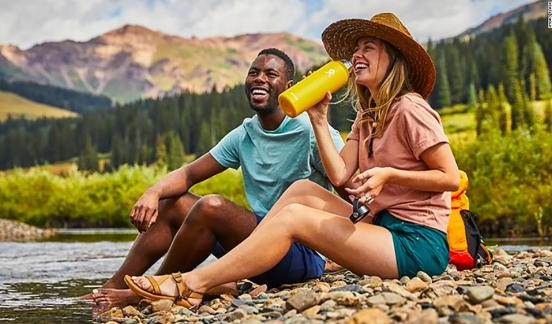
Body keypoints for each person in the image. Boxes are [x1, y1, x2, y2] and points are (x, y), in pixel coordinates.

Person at [123, 12, 460, 308]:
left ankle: (189, 284)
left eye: (368, 47)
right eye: (356, 48)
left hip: (415, 243)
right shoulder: (367, 117)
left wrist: (389, 174)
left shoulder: (411, 108)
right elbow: (341, 175)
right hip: (382, 226)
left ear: (394, 58)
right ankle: (239, 269)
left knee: (295, 217)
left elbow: (449, 177)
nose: (357, 55)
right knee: (302, 190)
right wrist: (318, 118)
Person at [87, 48, 345, 308]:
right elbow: (189, 174)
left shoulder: (312, 130)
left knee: (212, 207)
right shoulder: (244, 134)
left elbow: (347, 182)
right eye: (253, 72)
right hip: (253, 248)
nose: (259, 79)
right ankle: (111, 287)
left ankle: (152, 291)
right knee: (173, 202)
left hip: (301, 254)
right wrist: (153, 192)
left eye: (270, 74)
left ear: (289, 86)